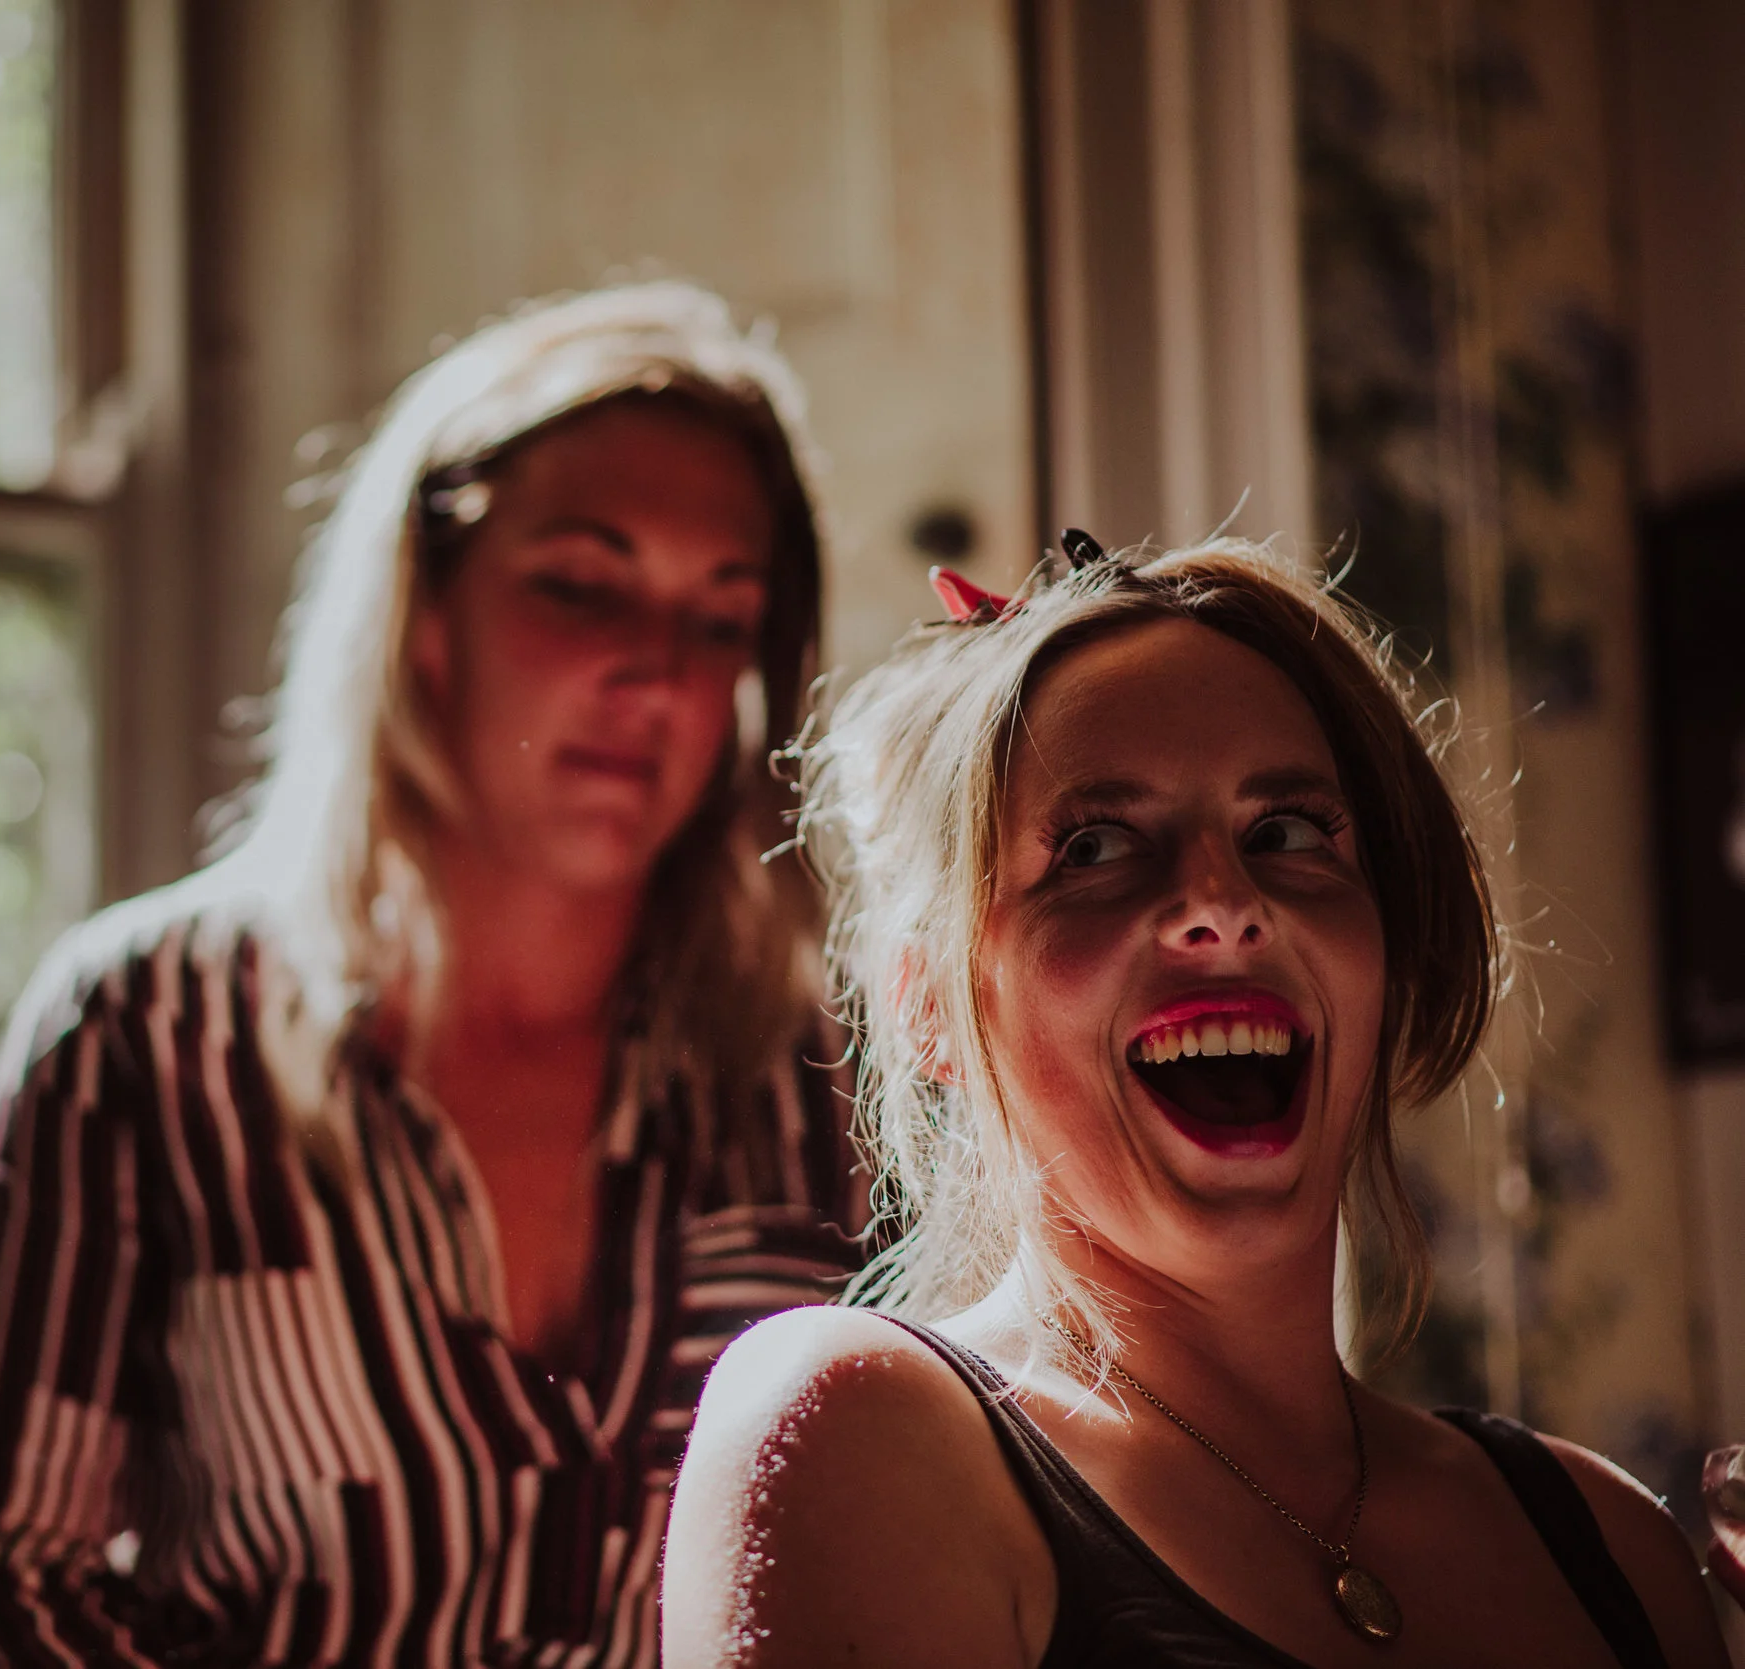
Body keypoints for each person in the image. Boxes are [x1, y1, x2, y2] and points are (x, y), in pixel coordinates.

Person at [0, 283, 866, 1667]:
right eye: (582, 587)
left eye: (718, 619)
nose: (653, 674)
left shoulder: (822, 1071)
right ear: (425, 615)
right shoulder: (143, 1034)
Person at [661, 537, 1730, 1667]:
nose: (1222, 902)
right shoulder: (858, 1428)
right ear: (927, 1003)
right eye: (1095, 846)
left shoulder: (1616, 1547)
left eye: (1287, 833)